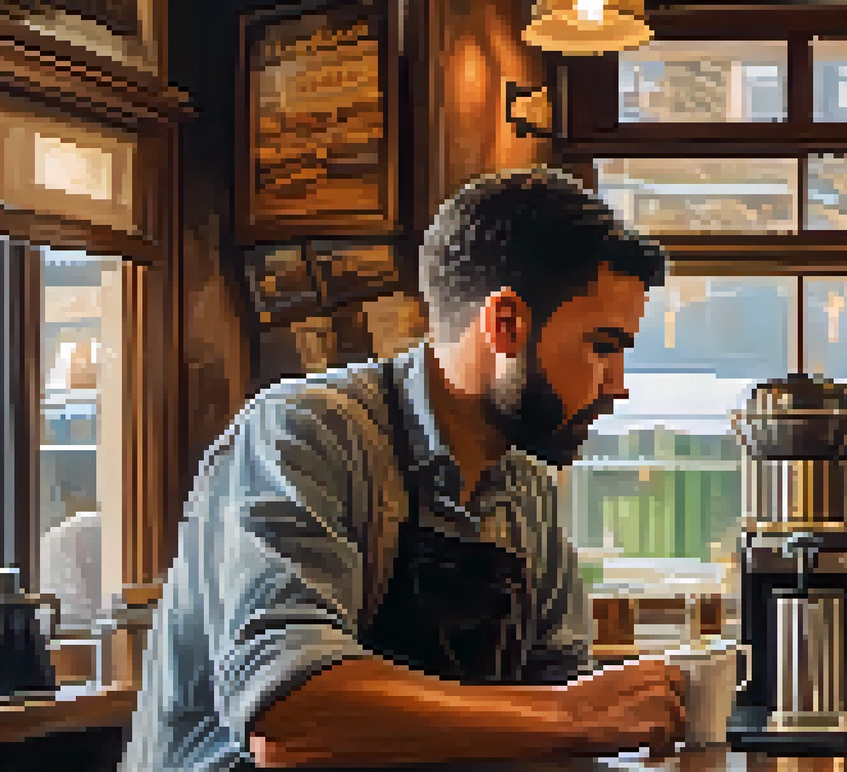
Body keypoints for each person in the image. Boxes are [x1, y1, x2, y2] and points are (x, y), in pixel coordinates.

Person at [122, 168, 685, 771]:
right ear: (506, 325)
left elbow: (559, 730)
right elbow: (290, 720)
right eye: (602, 346)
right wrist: (571, 716)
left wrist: (584, 722)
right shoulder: (306, 435)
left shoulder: (528, 495)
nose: (618, 385)